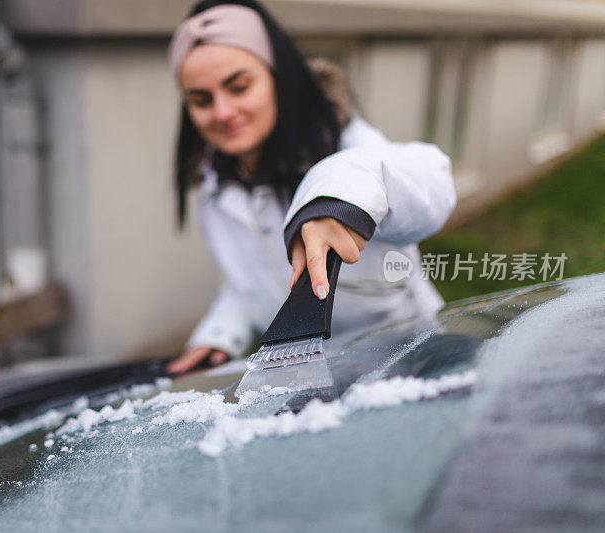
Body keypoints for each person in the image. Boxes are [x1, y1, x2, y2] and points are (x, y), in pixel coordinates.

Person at [166, 0, 456, 374]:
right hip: (310, 386)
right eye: (201, 100)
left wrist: (338, 198)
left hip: (408, 364)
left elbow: (433, 180)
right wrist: (220, 335)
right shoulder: (216, 186)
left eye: (238, 87)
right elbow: (248, 280)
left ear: (278, 77)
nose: (222, 112)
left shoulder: (345, 143)